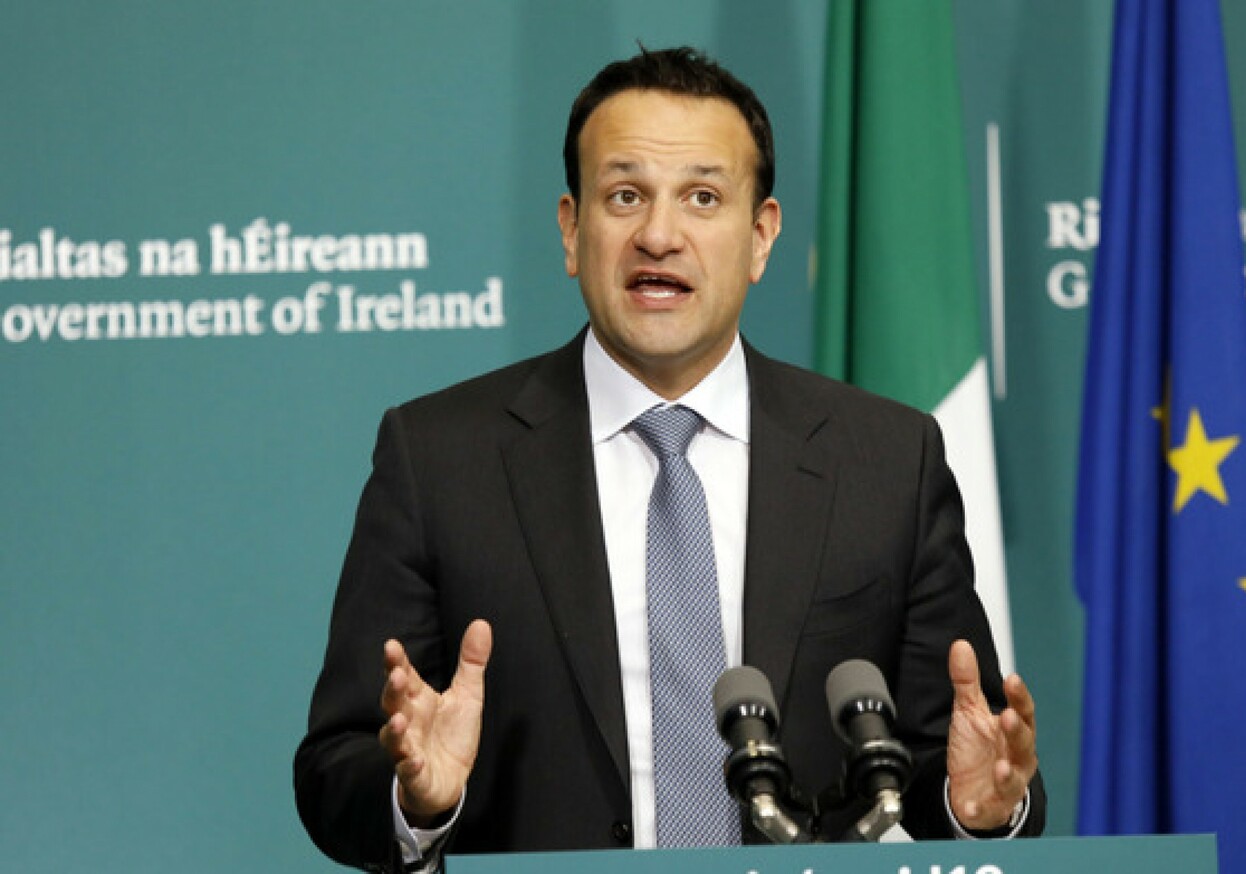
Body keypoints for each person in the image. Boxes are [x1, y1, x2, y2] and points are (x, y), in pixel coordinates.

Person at [294, 46, 1044, 872]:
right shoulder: (440, 458)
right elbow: (337, 766)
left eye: (702, 197)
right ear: (571, 230)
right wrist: (419, 802)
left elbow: (957, 760)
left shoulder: (887, 460)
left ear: (760, 237)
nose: (658, 235)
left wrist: (977, 808)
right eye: (624, 196)